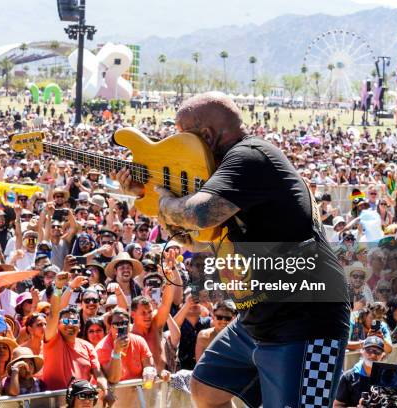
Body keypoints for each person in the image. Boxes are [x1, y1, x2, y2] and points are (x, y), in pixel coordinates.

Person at [115, 92, 350, 408]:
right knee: (206, 388)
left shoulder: (250, 157)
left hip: (307, 322)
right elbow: (199, 238)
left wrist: (161, 201)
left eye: (181, 137)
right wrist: (149, 195)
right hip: (259, 318)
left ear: (207, 136)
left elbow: (199, 213)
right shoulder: (225, 173)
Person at [41, 272, 111, 401]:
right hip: (55, 402)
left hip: (82, 402)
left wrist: (106, 391)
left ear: (80, 326)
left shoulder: (87, 346)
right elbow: (53, 314)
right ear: (58, 324)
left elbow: (98, 373)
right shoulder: (52, 340)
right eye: (66, 321)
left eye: (74, 322)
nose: (70, 325)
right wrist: (58, 288)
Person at [333, 336, 387, 407]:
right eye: (369, 350)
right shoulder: (348, 377)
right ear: (362, 351)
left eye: (378, 352)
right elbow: (337, 405)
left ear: (382, 355)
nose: (373, 354)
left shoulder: (388, 377)